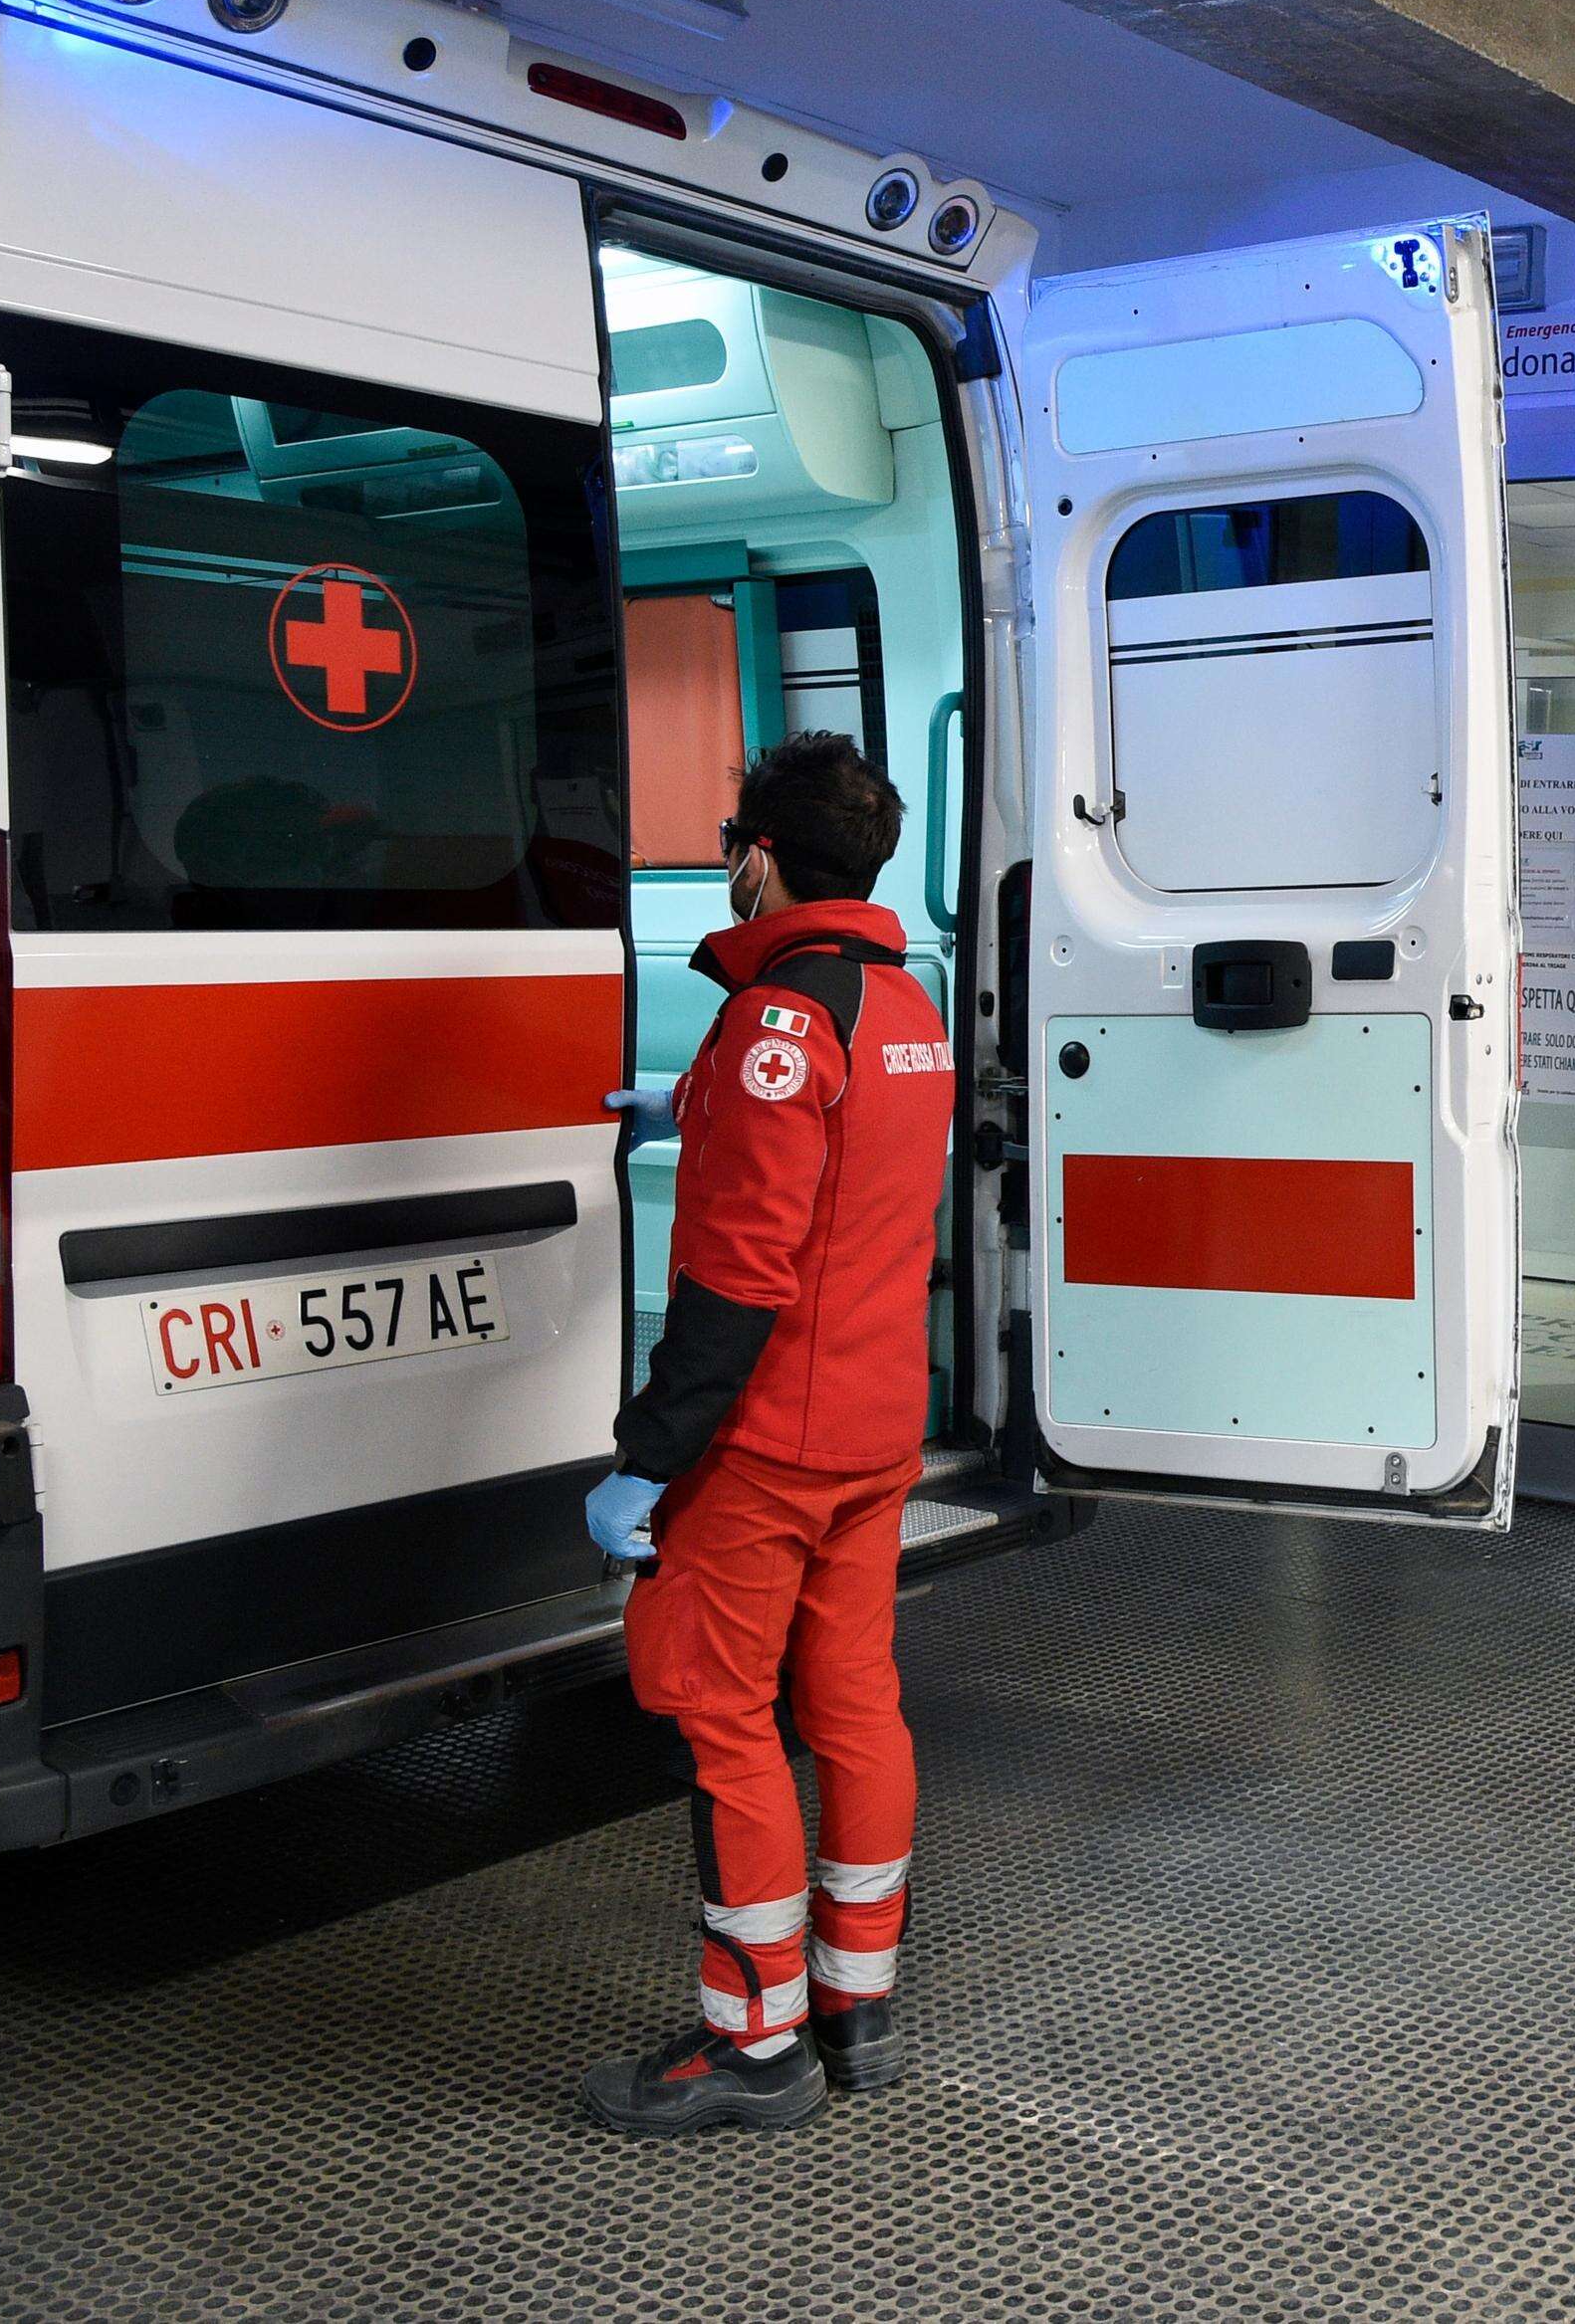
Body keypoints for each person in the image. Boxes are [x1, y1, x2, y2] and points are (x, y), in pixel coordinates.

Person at [577, 732, 958, 2134]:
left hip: (765, 1446)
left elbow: (740, 1273)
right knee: (854, 1702)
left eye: (736, 838)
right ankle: (859, 2009)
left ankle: (754, 2048)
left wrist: (647, 1456)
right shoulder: (894, 1001)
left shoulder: (775, 1018)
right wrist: (684, 1102)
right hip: (873, 1433)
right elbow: (833, 1136)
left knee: (721, 1716)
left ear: (760, 856)